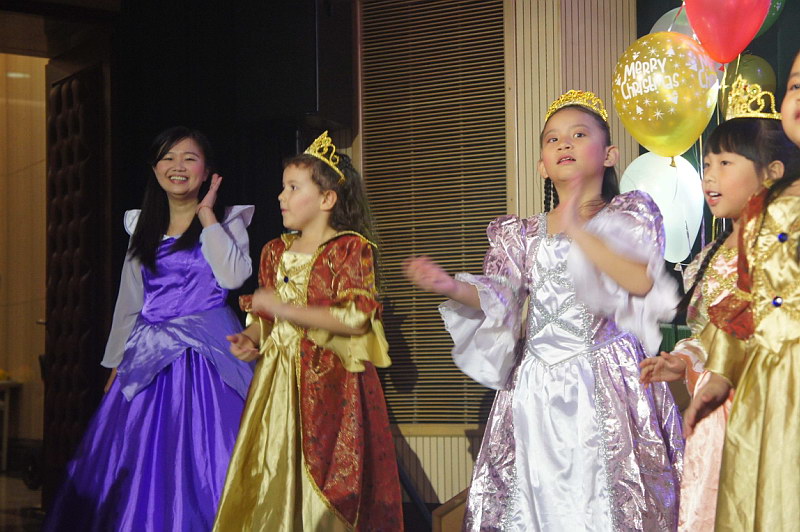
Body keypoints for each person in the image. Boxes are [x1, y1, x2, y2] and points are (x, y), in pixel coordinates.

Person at [404, 90, 683, 531]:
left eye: (579, 134)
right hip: (535, 386)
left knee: (604, 500)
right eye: (553, 139)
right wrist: (451, 286)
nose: (564, 143)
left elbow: (640, 280)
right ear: (541, 165)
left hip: (605, 377)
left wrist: (579, 229)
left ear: (609, 154)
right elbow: (501, 295)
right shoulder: (521, 233)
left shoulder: (630, 213)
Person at [44, 126, 255, 531]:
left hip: (210, 355)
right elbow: (129, 300)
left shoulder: (227, 221)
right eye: (168, 158)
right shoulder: (141, 225)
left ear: (207, 171)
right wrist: (115, 361)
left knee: (213, 455)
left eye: (189, 158)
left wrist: (207, 215)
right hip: (149, 357)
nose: (178, 166)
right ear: (155, 169)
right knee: (141, 462)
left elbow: (232, 278)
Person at [213, 131, 403, 531]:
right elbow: (266, 320)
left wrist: (285, 308)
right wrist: (252, 338)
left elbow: (354, 317)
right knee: (273, 464)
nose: (281, 196)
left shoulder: (349, 249)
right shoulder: (274, 251)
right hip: (278, 383)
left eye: (293, 187)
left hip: (330, 384)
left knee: (328, 474)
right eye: (283, 187)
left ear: (326, 199)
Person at [640, 104, 795, 531]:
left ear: (772, 173)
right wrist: (683, 360)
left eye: (725, 163)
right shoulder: (709, 257)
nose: (710, 176)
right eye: (707, 165)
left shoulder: (781, 245)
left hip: (767, 398)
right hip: (713, 410)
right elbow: (708, 332)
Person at [685, 56, 800, 530]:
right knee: (760, 499)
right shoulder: (764, 213)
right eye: (796, 85)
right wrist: (719, 373)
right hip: (762, 385)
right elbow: (749, 302)